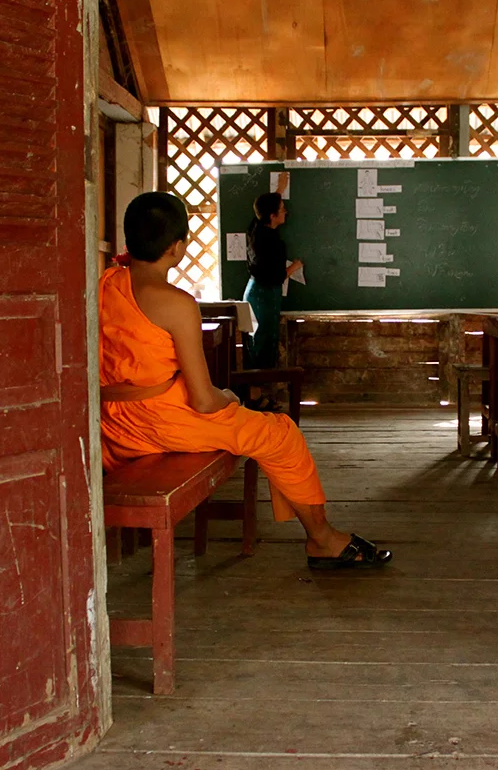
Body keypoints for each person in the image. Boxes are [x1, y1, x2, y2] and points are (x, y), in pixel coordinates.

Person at [100, 192, 391, 569]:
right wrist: (230, 399)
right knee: (281, 433)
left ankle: (322, 537)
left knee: (243, 418)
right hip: (158, 423)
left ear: (129, 239)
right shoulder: (174, 303)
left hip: (110, 426)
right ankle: (322, 540)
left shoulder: (104, 285)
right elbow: (204, 402)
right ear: (177, 247)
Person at [242, 189, 303, 411]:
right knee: (262, 344)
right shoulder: (274, 244)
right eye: (281, 209)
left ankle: (255, 396)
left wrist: (278, 189)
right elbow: (276, 276)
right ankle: (255, 398)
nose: (285, 211)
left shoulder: (255, 229)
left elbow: (260, 211)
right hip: (266, 294)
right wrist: (294, 267)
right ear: (272, 216)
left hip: (255, 291)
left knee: (258, 343)